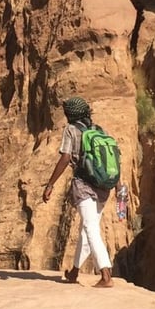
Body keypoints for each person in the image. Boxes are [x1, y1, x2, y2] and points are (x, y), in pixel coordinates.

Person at [42, 96, 120, 288]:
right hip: (103, 186)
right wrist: (119, 186)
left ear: (70, 115)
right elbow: (115, 158)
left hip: (84, 184)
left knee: (90, 229)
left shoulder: (71, 130)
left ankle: (106, 275)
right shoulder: (100, 130)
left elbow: (66, 157)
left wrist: (50, 184)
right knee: (87, 228)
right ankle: (74, 272)